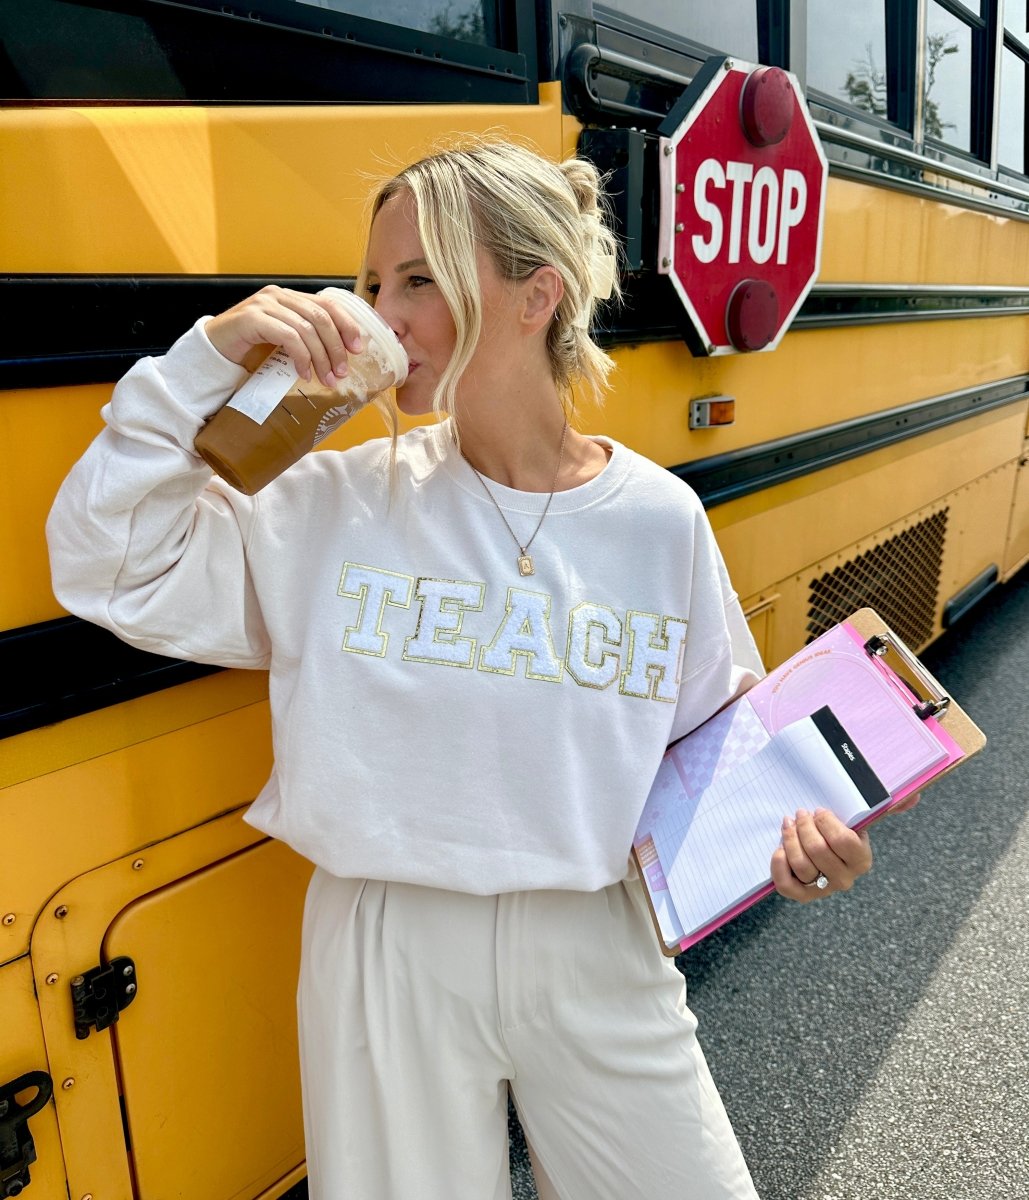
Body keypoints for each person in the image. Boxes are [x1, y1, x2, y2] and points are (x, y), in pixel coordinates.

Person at [47, 139, 886, 1199]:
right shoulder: (335, 502)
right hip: (385, 945)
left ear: (538, 296)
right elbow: (102, 561)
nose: (377, 316)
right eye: (369, 284)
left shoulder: (656, 521)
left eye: (418, 281)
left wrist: (800, 833)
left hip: (596, 937)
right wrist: (209, 359)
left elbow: (712, 752)